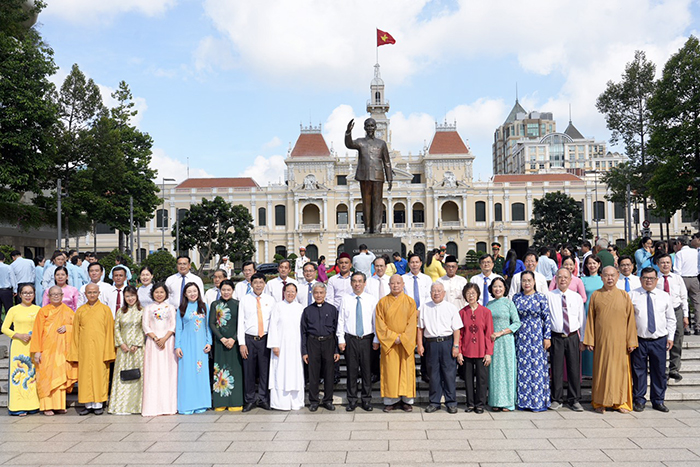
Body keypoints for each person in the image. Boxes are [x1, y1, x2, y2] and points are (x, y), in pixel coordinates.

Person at [584, 266, 638, 414]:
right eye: (606, 275)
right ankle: (600, 402)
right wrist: (590, 339)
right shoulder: (596, 295)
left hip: (621, 342)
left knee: (620, 371)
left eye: (612, 275)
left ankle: (620, 402)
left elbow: (630, 320)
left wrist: (631, 341)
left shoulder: (624, 295)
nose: (609, 278)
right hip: (602, 341)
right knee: (602, 370)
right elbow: (590, 319)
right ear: (601, 277)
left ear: (617, 276)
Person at [630, 267, 675, 413]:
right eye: (645, 278)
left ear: (657, 280)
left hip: (659, 340)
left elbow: (670, 318)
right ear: (640, 279)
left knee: (659, 371)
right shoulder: (632, 295)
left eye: (651, 278)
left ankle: (658, 400)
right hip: (639, 340)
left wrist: (671, 337)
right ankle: (639, 399)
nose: (648, 281)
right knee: (639, 372)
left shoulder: (664, 296)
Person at [30, 286, 79, 416]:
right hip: (46, 349)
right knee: (47, 377)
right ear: (49, 296)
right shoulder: (43, 311)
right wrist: (37, 351)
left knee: (60, 376)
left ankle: (59, 405)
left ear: (62, 296)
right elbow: (37, 332)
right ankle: (46, 406)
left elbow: (76, 328)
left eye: (58, 294)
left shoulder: (68, 311)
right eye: (53, 294)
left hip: (61, 351)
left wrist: (68, 328)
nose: (56, 296)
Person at [68, 283, 116, 415]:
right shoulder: (80, 311)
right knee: (85, 376)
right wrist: (75, 352)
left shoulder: (105, 310)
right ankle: (87, 405)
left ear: (99, 293)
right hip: (84, 349)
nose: (92, 295)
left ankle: (98, 404)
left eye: (94, 292)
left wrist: (108, 351)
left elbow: (110, 332)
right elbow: (75, 333)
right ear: (85, 294)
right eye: (89, 292)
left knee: (100, 376)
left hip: (100, 349)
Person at [418, 282, 463, 413]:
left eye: (439, 290)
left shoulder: (451, 307)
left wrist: (456, 346)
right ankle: (434, 402)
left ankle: (451, 402)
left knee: (449, 373)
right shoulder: (425, 307)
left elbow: (456, 329)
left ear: (444, 293)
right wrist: (420, 345)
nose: (436, 293)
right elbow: (420, 328)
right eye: (434, 291)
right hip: (431, 344)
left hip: (447, 343)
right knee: (433, 374)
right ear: (430, 293)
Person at [337, 272, 379, 412]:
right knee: (352, 371)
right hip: (351, 339)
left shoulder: (371, 299)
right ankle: (352, 400)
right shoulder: (346, 299)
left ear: (365, 283)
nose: (357, 284)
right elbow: (341, 320)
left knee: (367, 371)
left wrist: (376, 339)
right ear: (351, 283)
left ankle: (366, 400)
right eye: (354, 281)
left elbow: (375, 321)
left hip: (367, 339)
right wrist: (341, 339)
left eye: (360, 281)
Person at [375, 275, 417, 413]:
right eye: (392, 283)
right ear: (389, 285)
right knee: (390, 372)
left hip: (406, 343)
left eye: (398, 283)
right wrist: (393, 337)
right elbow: (380, 324)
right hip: (390, 344)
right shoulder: (382, 302)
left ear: (403, 284)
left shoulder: (410, 302)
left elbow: (412, 324)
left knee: (406, 371)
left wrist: (403, 338)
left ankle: (406, 400)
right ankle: (390, 400)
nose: (395, 285)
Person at [345, 117, 393, 234]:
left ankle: (377, 228)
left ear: (375, 127)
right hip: (364, 176)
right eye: (368, 126)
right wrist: (348, 132)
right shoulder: (360, 142)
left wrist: (389, 178)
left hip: (378, 176)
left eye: (372, 126)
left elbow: (387, 162)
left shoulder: (381, 143)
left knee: (377, 202)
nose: (370, 128)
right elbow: (349, 144)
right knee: (366, 203)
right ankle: (367, 228)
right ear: (364, 128)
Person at [546, 268, 585, 412]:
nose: (562, 280)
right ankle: (556, 399)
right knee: (556, 369)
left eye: (565, 277)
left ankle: (574, 399)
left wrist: (583, 339)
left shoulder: (576, 297)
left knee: (574, 368)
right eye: (559, 277)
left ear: (570, 280)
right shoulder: (549, 296)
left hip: (573, 336)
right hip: (556, 337)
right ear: (555, 279)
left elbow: (582, 318)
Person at [512, 271, 551, 411]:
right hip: (521, 337)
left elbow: (547, 318)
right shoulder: (516, 298)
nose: (526, 283)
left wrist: (547, 337)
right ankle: (523, 401)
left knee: (537, 368)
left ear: (534, 282)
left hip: (537, 337)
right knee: (522, 369)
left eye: (529, 280)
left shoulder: (541, 297)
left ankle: (537, 401)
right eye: (524, 281)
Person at [238, 272, 275, 412]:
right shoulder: (245, 299)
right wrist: (242, 343)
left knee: (264, 371)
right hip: (249, 339)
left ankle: (263, 399)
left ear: (264, 284)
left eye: (261, 282)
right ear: (251, 284)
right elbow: (240, 322)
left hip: (265, 339)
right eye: (255, 282)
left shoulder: (270, 300)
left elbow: (273, 322)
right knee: (249, 371)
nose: (258, 285)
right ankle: (249, 399)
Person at [2, 284, 40, 416]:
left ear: (34, 294)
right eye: (25, 293)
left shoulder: (38, 310)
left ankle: (33, 405)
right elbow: (4, 328)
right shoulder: (13, 310)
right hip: (18, 345)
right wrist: (19, 335)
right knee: (19, 374)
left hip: (34, 346)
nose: (28, 295)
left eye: (30, 293)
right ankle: (18, 407)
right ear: (19, 295)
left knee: (32, 375)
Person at [301, 282, 339, 412]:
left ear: (325, 294)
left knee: (329, 373)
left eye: (321, 292)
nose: (318, 295)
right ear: (312, 293)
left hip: (329, 343)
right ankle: (314, 401)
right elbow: (304, 332)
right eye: (316, 292)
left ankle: (328, 400)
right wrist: (304, 351)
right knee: (313, 374)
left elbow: (336, 331)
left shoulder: (332, 309)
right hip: (313, 343)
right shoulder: (307, 311)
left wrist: (336, 350)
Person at [141, 283, 178, 417]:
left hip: (168, 343)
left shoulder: (171, 308)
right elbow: (145, 326)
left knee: (168, 372)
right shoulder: (148, 308)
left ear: (166, 294)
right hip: (153, 343)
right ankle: (152, 406)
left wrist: (164, 338)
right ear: (152, 294)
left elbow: (173, 325)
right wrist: (156, 338)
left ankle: (168, 406)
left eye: (162, 292)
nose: (159, 295)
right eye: (156, 292)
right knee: (153, 372)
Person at [174, 282, 211, 414]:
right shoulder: (181, 308)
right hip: (186, 345)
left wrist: (209, 342)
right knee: (187, 374)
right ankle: (187, 404)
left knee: (200, 373)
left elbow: (208, 327)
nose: (192, 294)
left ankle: (202, 403)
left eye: (194, 291)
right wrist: (177, 346)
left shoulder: (204, 306)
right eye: (189, 291)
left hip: (201, 346)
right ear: (185, 294)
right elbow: (178, 328)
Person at [267, 283, 305, 411]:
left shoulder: (300, 308)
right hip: (280, 347)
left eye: (293, 292)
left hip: (295, 347)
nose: (290, 294)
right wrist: (274, 345)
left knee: (295, 373)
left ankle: (295, 402)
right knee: (280, 372)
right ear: (283, 293)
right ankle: (281, 403)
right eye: (288, 291)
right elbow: (272, 326)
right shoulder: (278, 306)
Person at [457, 283, 493, 414]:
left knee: (482, 379)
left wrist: (488, 352)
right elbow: (460, 334)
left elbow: (489, 334)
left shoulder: (486, 312)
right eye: (468, 293)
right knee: (468, 379)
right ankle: (470, 403)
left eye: (473, 293)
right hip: (466, 351)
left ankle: (480, 404)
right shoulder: (462, 312)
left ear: (478, 294)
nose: (470, 296)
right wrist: (459, 352)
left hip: (481, 350)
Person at [109, 286, 145, 415]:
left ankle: (137, 406)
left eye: (132, 295)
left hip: (138, 349)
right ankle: (121, 406)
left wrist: (137, 343)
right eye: (127, 296)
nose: (130, 298)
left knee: (138, 376)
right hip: (123, 349)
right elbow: (116, 328)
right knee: (123, 376)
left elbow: (144, 328)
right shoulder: (120, 311)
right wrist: (121, 344)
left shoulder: (142, 311)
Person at [486, 277, 520, 412]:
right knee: (494, 372)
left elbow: (517, 323)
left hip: (506, 340)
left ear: (505, 288)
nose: (498, 289)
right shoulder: (489, 304)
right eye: (495, 286)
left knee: (507, 371)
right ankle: (495, 401)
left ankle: (508, 402)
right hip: (492, 342)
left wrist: (501, 332)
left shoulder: (509, 303)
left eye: (500, 286)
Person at [209, 279, 244, 412]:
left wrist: (234, 339)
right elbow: (212, 323)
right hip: (220, 343)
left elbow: (242, 323)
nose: (226, 292)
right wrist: (222, 338)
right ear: (220, 290)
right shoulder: (215, 304)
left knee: (235, 371)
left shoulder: (238, 304)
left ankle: (235, 402)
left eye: (228, 290)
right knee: (219, 371)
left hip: (234, 343)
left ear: (233, 291)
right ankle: (220, 402)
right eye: (223, 290)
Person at [656, 254, 688, 381]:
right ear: (658, 264)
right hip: (661, 313)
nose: (665, 265)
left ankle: (674, 368)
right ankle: (661, 368)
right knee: (661, 339)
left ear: (671, 264)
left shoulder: (677, 278)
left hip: (676, 310)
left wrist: (685, 315)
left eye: (668, 262)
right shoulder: (655, 279)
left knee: (677, 338)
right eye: (662, 262)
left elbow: (684, 297)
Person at [580, 254, 603, 378]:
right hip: (586, 311)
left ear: (599, 264)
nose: (592, 265)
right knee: (587, 338)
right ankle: (586, 370)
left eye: (595, 263)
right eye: (589, 263)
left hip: (601, 312)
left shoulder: (603, 279)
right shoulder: (582, 280)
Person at [674, 236, 700, 335]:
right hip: (694, 278)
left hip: (683, 278)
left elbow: (677, 269)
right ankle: (698, 327)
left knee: (684, 302)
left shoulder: (679, 254)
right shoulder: (695, 252)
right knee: (697, 303)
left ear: (680, 243)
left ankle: (686, 328)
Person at [0, 252, 17, 322]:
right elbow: (12, 278)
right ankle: (10, 326)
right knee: (9, 309)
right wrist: (15, 289)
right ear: (4, 259)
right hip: (6, 290)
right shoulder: (8, 267)